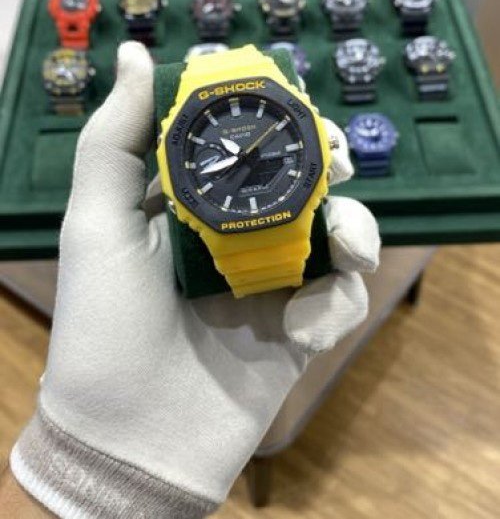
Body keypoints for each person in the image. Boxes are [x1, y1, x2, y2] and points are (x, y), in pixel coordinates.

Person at [0, 42, 380, 518]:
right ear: (175, 185)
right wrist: (85, 468)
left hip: (278, 216)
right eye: (227, 156)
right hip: (219, 230)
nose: (242, 158)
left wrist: (75, 483)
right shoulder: (186, 197)